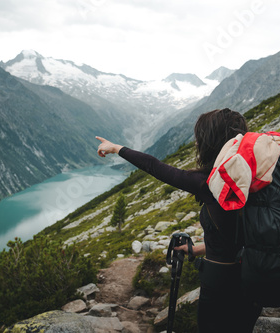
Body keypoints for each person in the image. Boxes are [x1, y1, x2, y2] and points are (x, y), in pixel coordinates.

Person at [96, 108, 262, 333]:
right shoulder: (257, 177)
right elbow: (241, 238)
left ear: (211, 143)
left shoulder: (212, 182)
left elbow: (156, 167)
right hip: (254, 278)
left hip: (219, 283)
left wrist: (117, 148)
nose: (196, 144)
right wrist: (196, 249)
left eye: (199, 139)